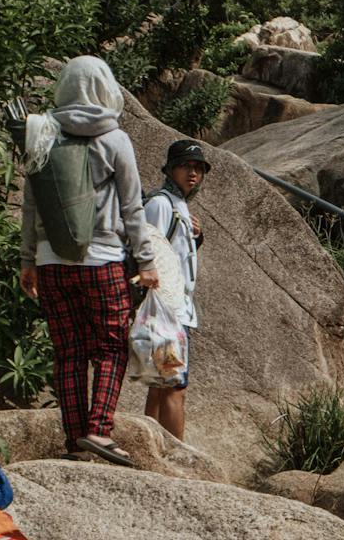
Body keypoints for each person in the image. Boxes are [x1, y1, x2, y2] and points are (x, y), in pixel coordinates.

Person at [18, 56, 161, 467]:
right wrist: (147, 261)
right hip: (102, 260)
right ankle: (98, 430)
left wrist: (29, 259)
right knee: (112, 346)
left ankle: (73, 440)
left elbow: (31, 204)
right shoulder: (114, 138)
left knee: (68, 353)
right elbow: (133, 209)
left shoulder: (43, 132)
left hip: (50, 263)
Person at [140, 138, 209, 440]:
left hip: (175, 311)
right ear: (170, 169)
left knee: (162, 383)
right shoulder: (160, 204)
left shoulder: (178, 204)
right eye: (185, 166)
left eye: (198, 168)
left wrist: (196, 237)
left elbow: (174, 256)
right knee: (175, 385)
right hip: (166, 313)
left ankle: (150, 446)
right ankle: (178, 457)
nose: (192, 173)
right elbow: (147, 250)